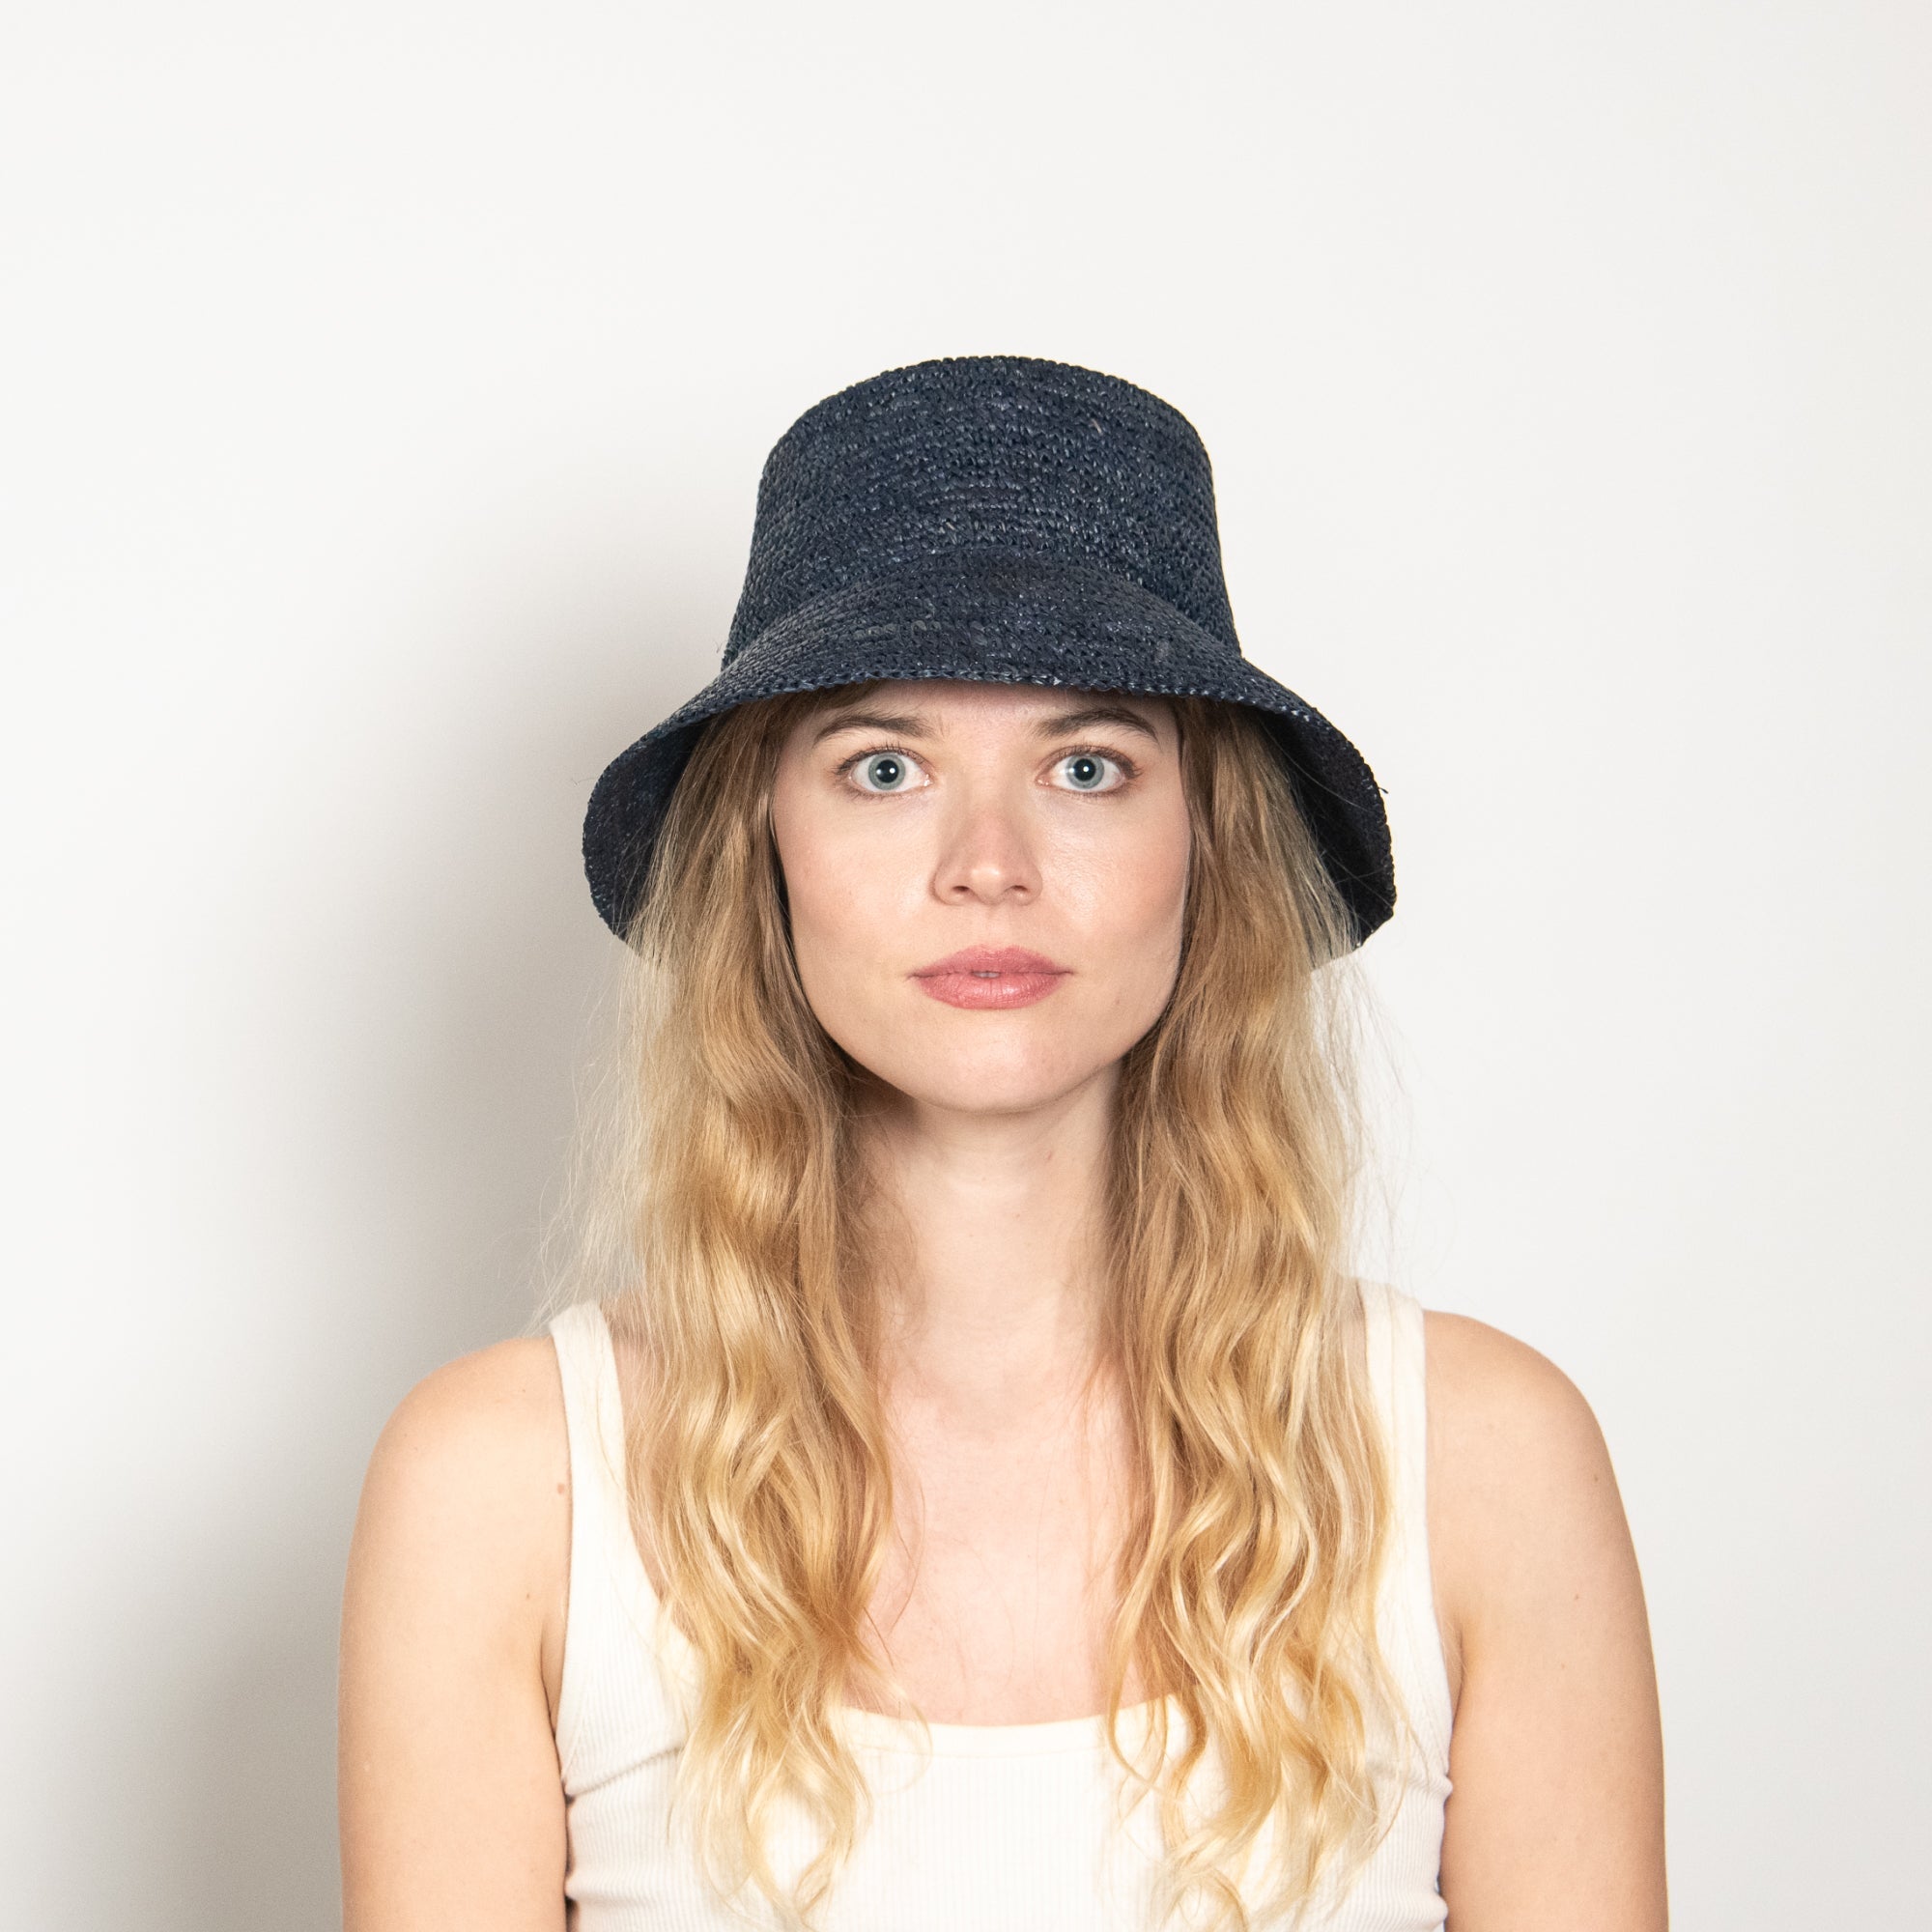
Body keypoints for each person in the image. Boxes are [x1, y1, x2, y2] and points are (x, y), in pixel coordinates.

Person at [337, 356, 1667, 1931]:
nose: (990, 866)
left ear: (1208, 850)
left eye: (1086, 767)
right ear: (764, 852)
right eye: (884, 769)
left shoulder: (1485, 1465)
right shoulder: (504, 1487)